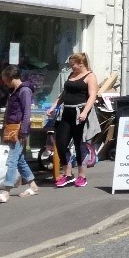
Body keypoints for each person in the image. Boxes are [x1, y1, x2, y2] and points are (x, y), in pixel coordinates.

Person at [48, 52, 98, 188]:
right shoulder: (71, 76)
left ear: (81, 63)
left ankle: (82, 176)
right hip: (67, 112)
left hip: (80, 113)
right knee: (61, 143)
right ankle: (68, 174)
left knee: (79, 144)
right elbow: (63, 94)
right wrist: (53, 107)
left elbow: (92, 96)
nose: (71, 68)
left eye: (73, 65)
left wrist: (84, 112)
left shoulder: (90, 76)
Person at [0, 65, 37, 203]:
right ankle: (33, 185)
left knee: (12, 160)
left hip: (19, 130)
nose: (4, 82)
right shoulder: (14, 91)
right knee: (20, 159)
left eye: (5, 79)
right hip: (12, 128)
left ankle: (6, 192)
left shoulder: (24, 91)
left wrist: (23, 131)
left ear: (11, 78)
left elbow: (27, 112)